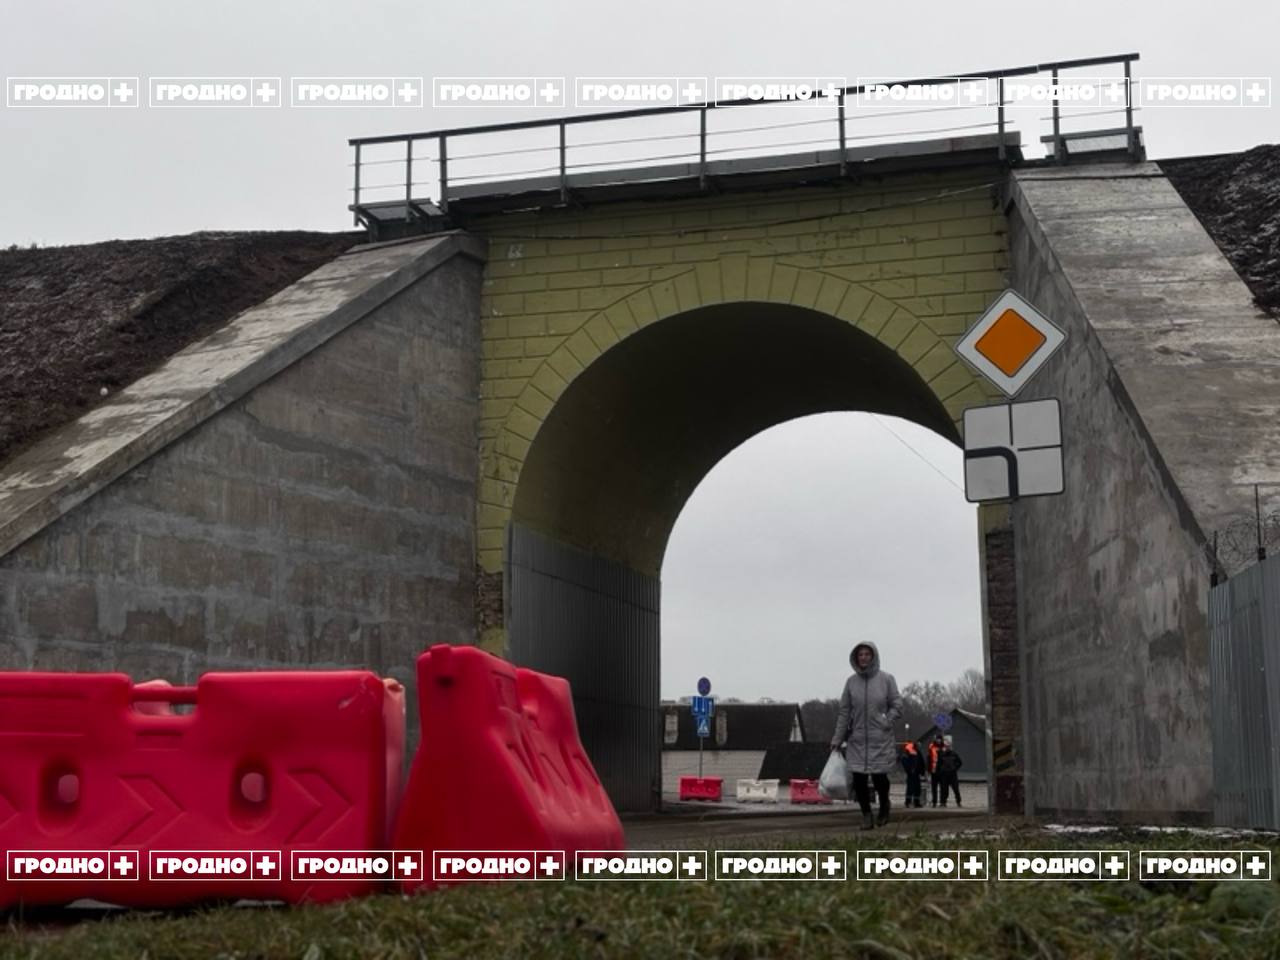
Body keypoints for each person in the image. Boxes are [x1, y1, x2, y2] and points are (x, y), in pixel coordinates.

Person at [829, 641, 903, 829]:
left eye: (867, 654)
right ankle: (866, 815)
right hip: (857, 738)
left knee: (879, 778)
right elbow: (844, 712)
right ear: (856, 658)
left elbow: (897, 705)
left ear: (873, 656)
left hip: (880, 738)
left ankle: (884, 806)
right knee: (859, 779)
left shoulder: (886, 679)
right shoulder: (851, 682)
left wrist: (886, 721)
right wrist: (837, 738)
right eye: (860, 655)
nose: (863, 658)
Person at [936, 736, 963, 807]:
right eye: (946, 746)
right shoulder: (941, 755)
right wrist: (941, 771)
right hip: (944, 775)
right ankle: (943, 802)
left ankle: (958, 802)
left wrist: (955, 768)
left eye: (948, 746)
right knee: (944, 789)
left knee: (956, 789)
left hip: (953, 774)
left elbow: (960, 762)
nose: (947, 747)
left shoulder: (954, 754)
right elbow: (938, 764)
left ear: (950, 747)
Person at [898, 740, 925, 808]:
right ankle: (908, 802)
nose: (920, 746)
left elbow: (921, 762)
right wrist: (909, 770)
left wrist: (922, 772)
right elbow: (905, 761)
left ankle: (916, 802)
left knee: (917, 788)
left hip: (916, 773)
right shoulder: (908, 751)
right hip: (911, 773)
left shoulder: (916, 751)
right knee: (911, 788)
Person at [927, 734, 944, 807]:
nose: (938, 740)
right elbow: (929, 758)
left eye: (939, 739)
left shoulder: (944, 747)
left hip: (942, 771)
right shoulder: (931, 746)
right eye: (937, 739)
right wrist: (929, 769)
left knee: (943, 787)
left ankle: (942, 802)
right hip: (934, 770)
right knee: (934, 788)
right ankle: (934, 802)